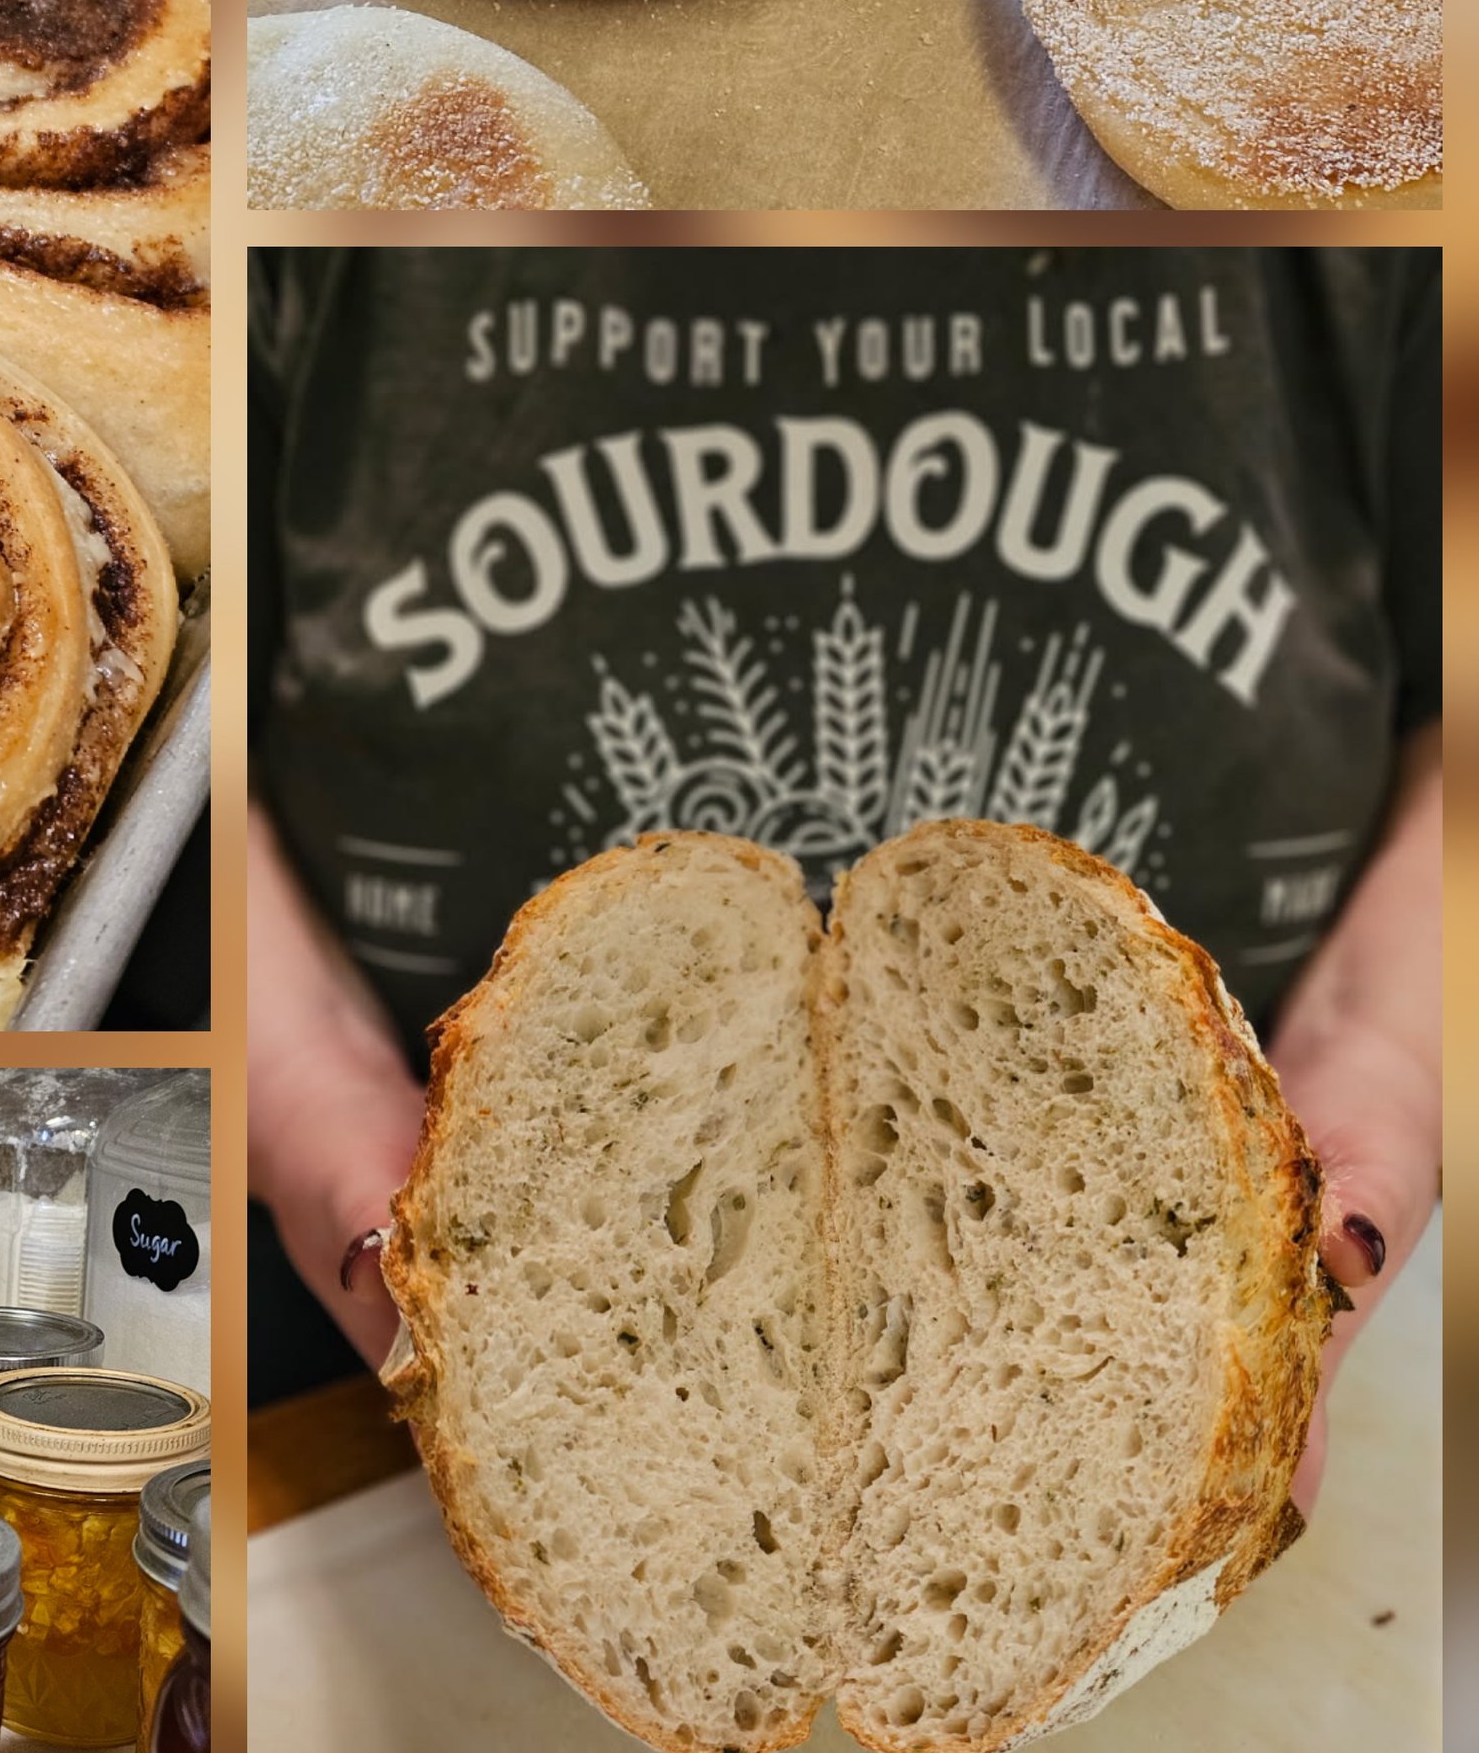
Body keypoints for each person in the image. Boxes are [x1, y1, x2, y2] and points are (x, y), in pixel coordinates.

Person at [249, 245, 1439, 1516]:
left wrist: (1385, 1055)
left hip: (1202, 1300)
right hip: (354, 1392)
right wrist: (302, 1082)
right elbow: (174, 734)